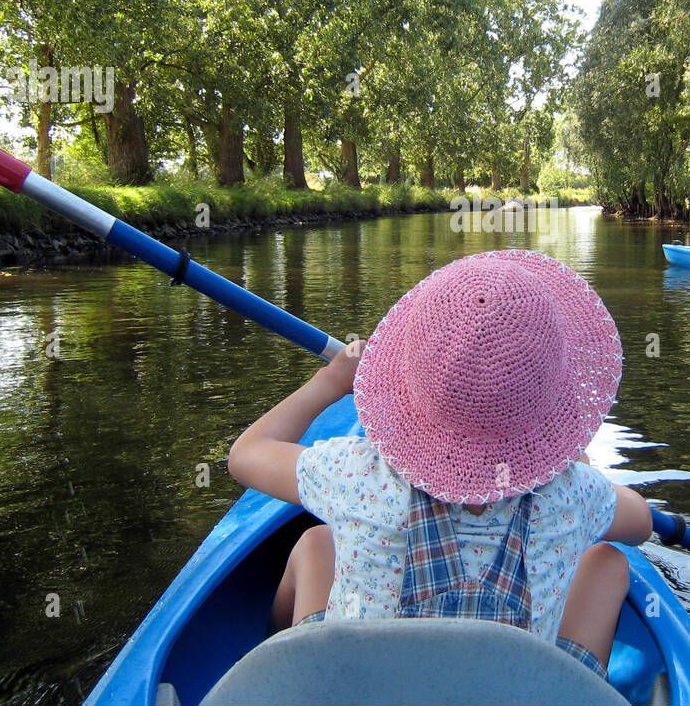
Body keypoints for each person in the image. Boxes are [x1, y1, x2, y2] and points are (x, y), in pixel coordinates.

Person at [227, 249, 652, 681]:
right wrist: (562, 451)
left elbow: (246, 455)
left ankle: (277, 670)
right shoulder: (573, 493)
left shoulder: (355, 474)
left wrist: (330, 381)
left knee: (316, 543)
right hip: (511, 691)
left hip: (361, 690)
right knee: (607, 562)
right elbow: (640, 523)